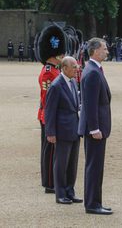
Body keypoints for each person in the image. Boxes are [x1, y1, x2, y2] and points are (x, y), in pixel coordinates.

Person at [78, 37, 113, 215]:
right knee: (94, 167)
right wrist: (94, 129)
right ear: (95, 51)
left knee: (96, 167)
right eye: (104, 49)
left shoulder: (93, 69)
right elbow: (90, 104)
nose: (107, 51)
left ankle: (95, 201)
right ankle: (92, 204)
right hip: (95, 129)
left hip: (98, 127)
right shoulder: (92, 72)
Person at [45, 56, 82, 205]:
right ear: (64, 68)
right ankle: (60, 193)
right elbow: (50, 111)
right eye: (74, 67)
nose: (77, 69)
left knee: (72, 163)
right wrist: (50, 133)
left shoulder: (73, 82)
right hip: (62, 131)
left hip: (74, 128)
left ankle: (69, 191)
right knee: (61, 164)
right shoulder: (56, 85)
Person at [37, 25, 66, 194]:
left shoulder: (54, 70)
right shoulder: (49, 72)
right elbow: (48, 99)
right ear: (54, 55)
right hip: (48, 115)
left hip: (50, 114)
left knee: (51, 150)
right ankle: (49, 182)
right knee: (50, 151)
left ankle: (50, 180)